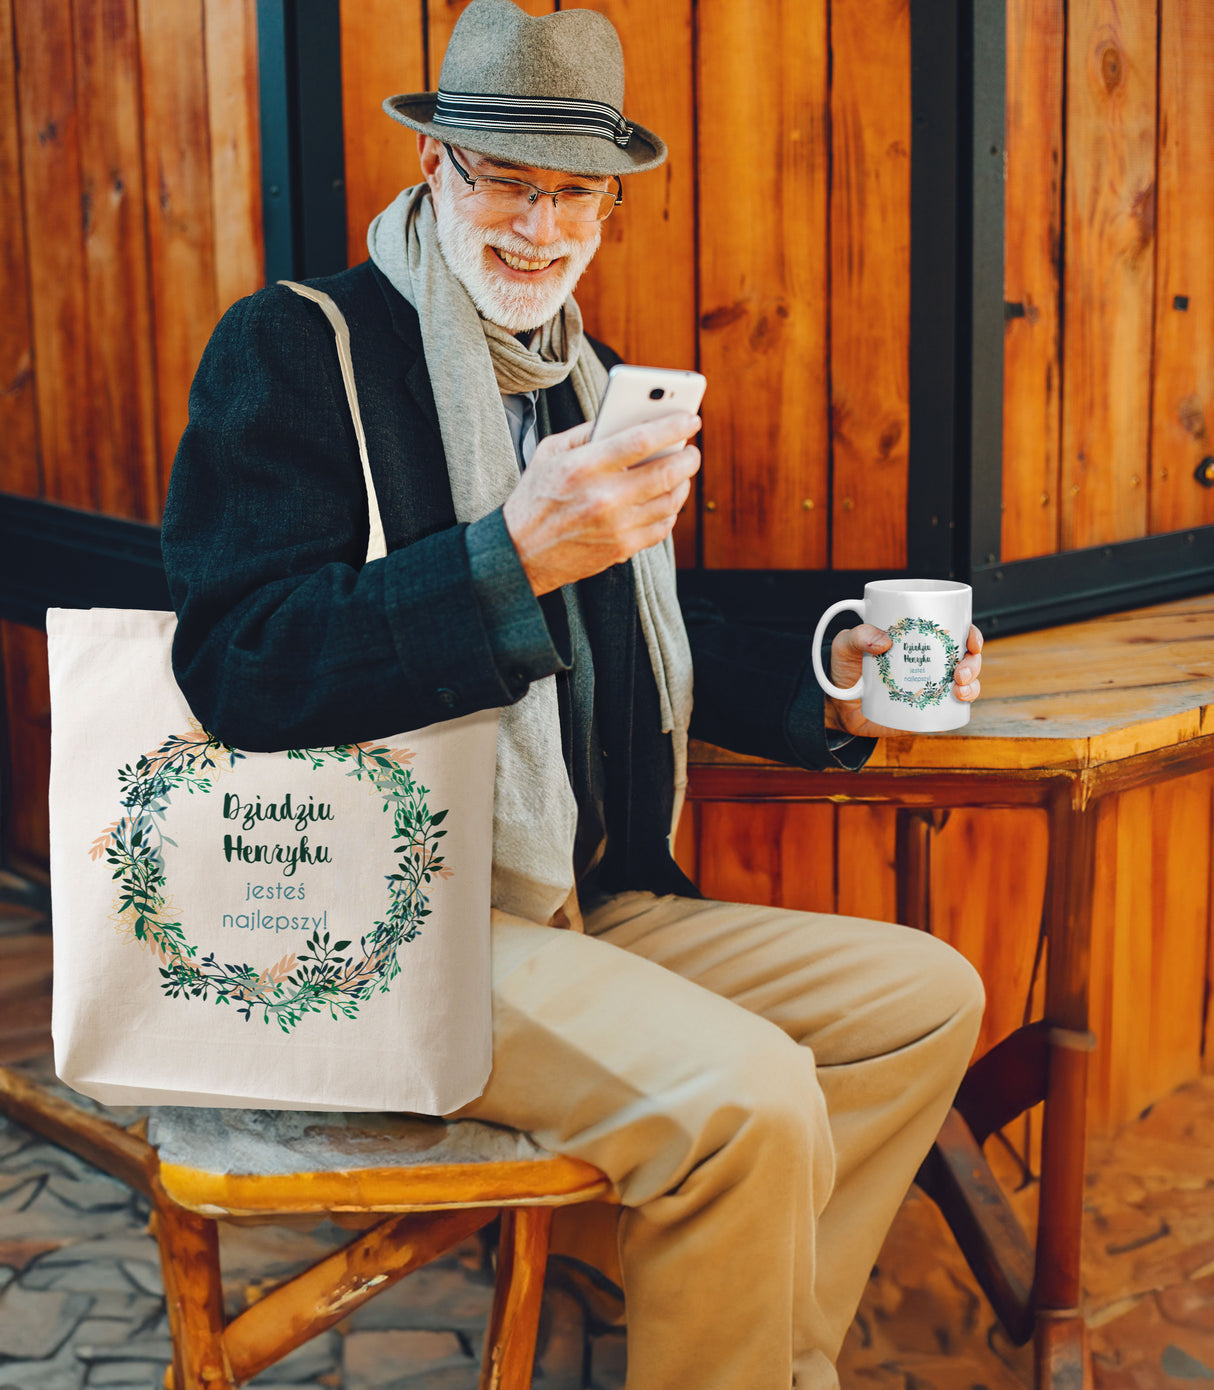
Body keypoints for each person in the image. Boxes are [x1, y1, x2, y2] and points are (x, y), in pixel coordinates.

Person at [161, 1, 986, 1385]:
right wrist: (508, 559)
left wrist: (828, 682)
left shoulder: (581, 381)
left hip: (588, 894)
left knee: (926, 997)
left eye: (577, 195)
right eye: (508, 182)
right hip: (397, 919)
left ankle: (765, 1352)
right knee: (748, 1096)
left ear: (610, 206)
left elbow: (632, 640)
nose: (540, 230)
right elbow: (238, 662)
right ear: (437, 167)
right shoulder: (300, 348)